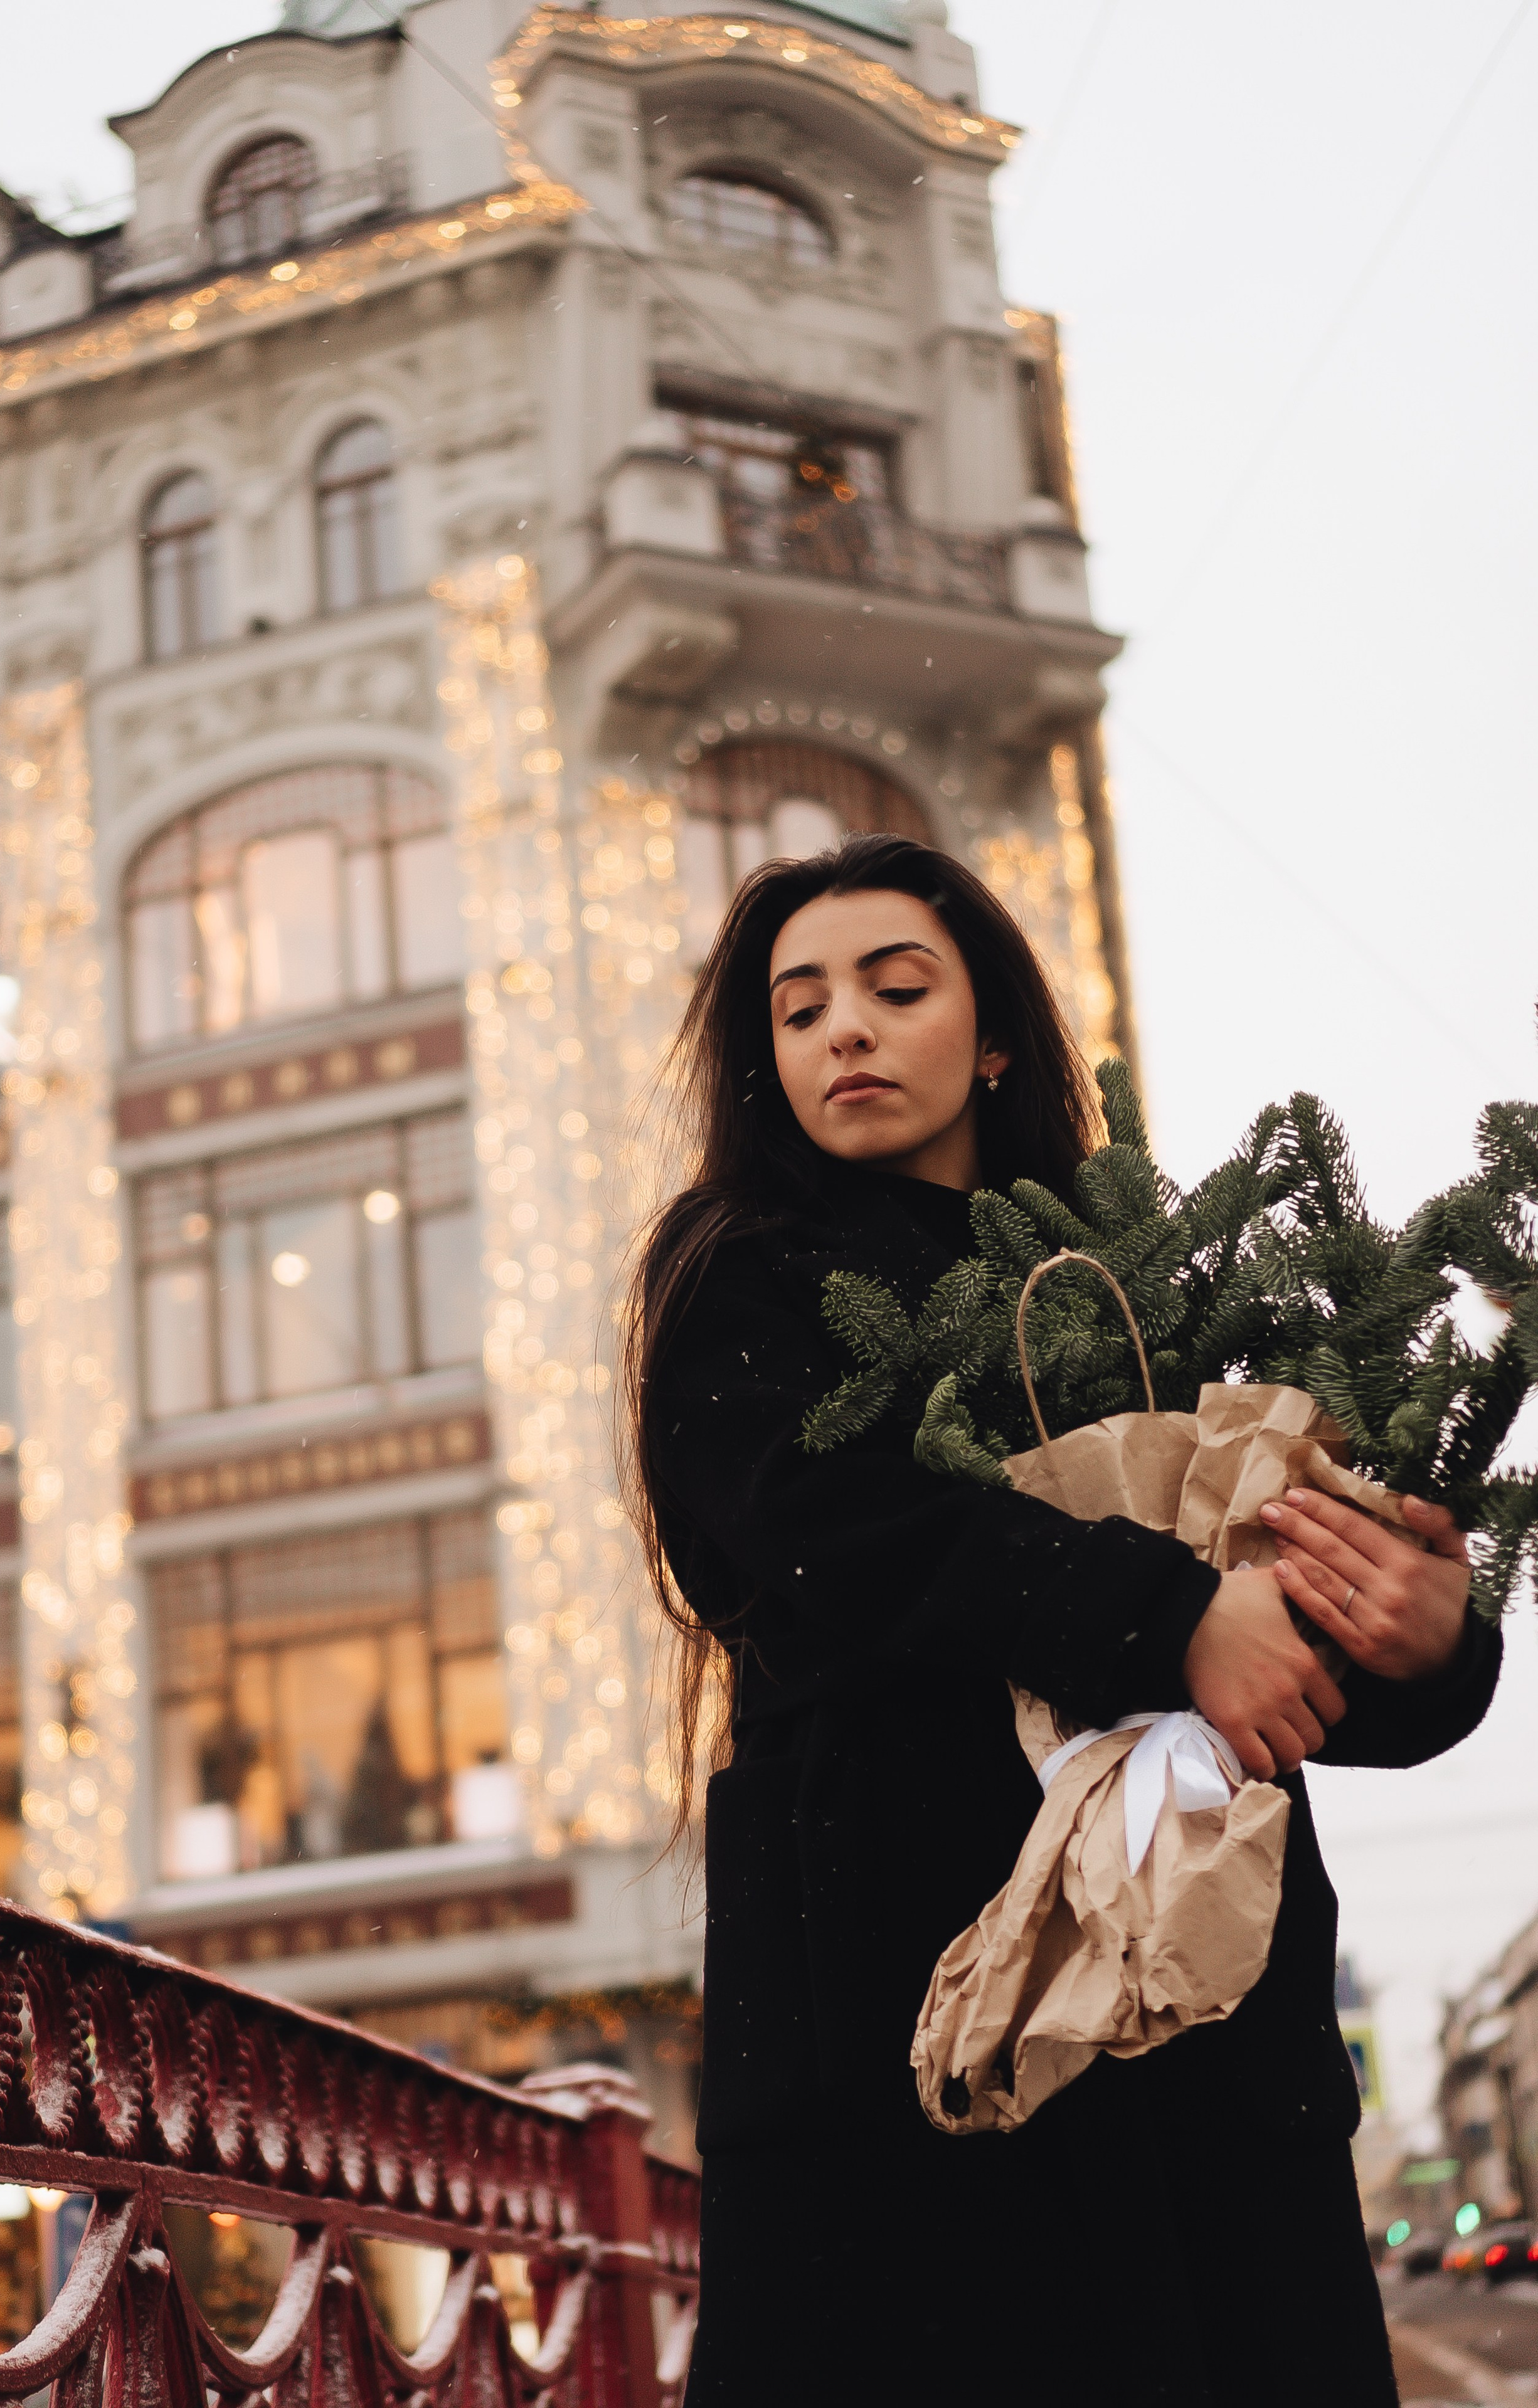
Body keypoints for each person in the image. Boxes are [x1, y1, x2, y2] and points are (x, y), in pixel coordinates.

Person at [621, 832, 1497, 2405]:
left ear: (996, 1035)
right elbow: (835, 1533)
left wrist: (1424, 1643)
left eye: (896, 988)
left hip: (1201, 2040)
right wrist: (1170, 1620)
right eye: (798, 1005)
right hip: (908, 2045)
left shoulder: (1144, 1298)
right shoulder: (735, 1277)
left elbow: (1281, 1625)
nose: (845, 1029)